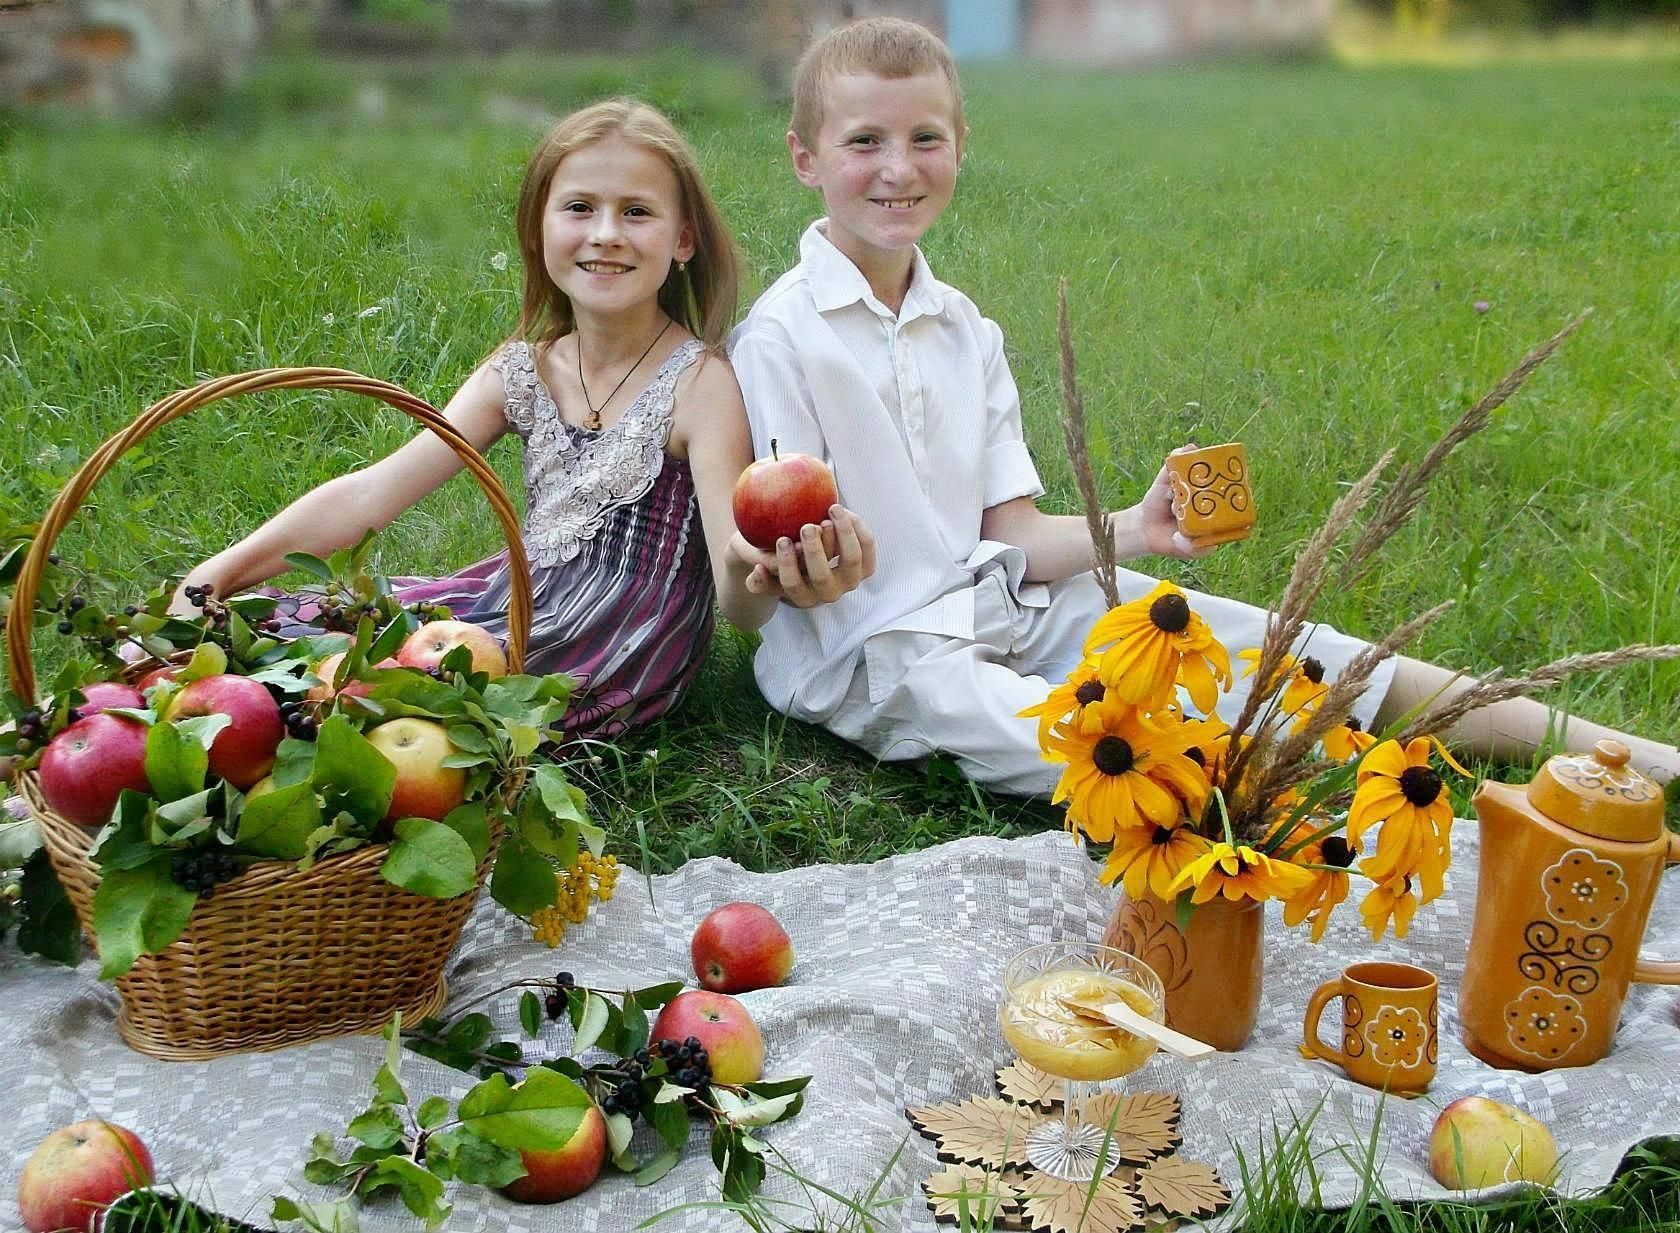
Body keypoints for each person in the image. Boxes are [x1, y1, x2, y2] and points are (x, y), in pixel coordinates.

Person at [728, 17, 1678, 795]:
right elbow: (784, 574)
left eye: (923, 138)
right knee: (1129, 759)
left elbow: (1006, 529)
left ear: (961, 149)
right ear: (806, 159)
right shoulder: (783, 336)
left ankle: (1631, 759)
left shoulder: (965, 329)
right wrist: (812, 571)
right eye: (865, 143)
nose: (898, 168)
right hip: (879, 655)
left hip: (1005, 603)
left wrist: (1136, 529)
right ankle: (1312, 803)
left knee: (1291, 653)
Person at [179, 99, 872, 742]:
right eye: (579, 207)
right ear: (540, 228)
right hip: (514, 605)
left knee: (372, 698)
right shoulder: (522, 371)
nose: (606, 234)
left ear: (683, 238)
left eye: (637, 212)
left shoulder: (698, 383)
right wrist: (217, 574)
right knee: (285, 631)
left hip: (609, 649)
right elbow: (372, 493)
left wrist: (765, 577)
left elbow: (735, 594)